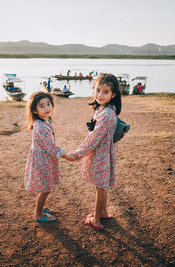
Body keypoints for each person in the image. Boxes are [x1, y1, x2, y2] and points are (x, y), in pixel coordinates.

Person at [70, 73, 121, 231]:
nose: (100, 95)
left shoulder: (106, 114)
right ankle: (104, 211)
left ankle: (97, 220)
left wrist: (78, 153)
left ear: (113, 95)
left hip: (100, 154)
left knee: (100, 187)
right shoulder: (104, 108)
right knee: (102, 186)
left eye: (105, 92)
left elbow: (94, 138)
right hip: (103, 152)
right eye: (98, 90)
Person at [24, 91, 75, 223]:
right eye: (42, 106)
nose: (47, 108)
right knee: (45, 188)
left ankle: (39, 207)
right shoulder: (40, 127)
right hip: (41, 160)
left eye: (48, 104)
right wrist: (67, 156)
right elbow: (51, 147)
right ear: (35, 111)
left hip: (44, 158)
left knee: (42, 186)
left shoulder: (47, 120)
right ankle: (38, 214)